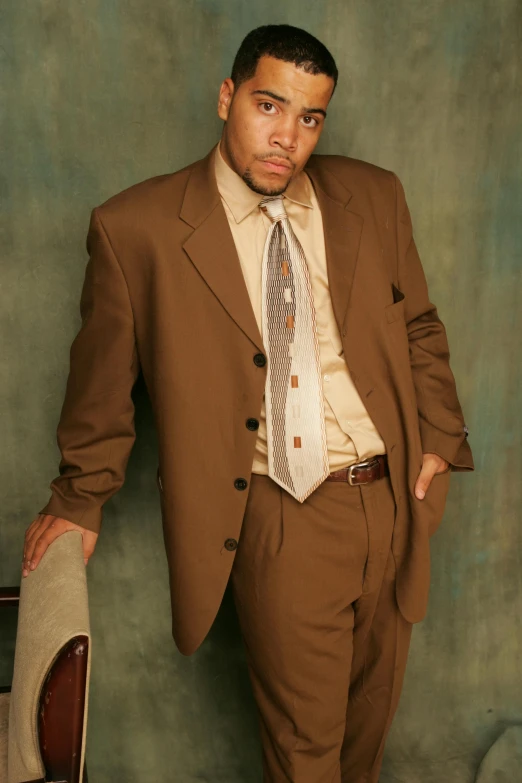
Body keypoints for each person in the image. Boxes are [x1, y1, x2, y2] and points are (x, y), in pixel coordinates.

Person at [23, 23, 474, 783]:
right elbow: (101, 389)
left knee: (365, 745)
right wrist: (79, 496)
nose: (287, 137)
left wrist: (439, 439)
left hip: (394, 502)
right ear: (227, 96)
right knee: (307, 758)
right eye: (269, 106)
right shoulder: (136, 229)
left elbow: (419, 325)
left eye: (309, 118)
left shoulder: (373, 194)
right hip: (283, 516)